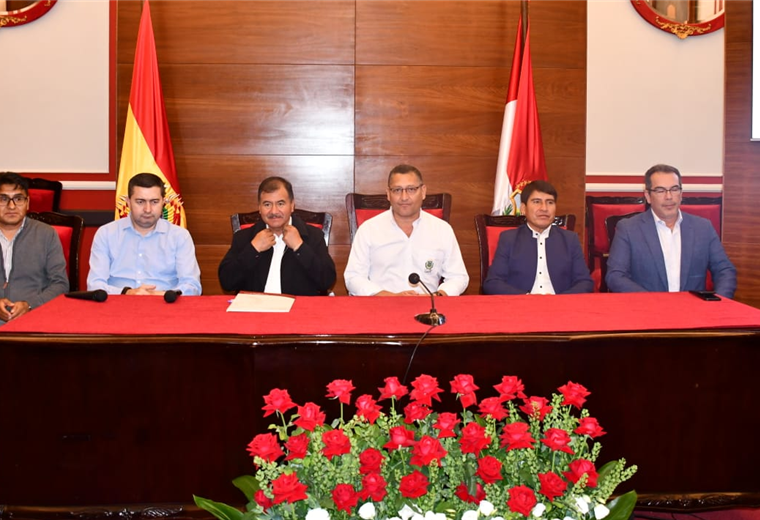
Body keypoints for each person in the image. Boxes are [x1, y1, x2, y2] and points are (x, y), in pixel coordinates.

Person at [606, 164, 736, 297]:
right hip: (647, 311)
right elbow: (615, 276)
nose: (669, 197)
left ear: (681, 193)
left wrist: (719, 303)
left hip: (693, 312)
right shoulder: (629, 229)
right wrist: (651, 302)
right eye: (660, 191)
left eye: (674, 189)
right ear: (648, 196)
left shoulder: (702, 228)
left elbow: (725, 271)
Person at [344, 164, 469, 296]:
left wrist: (437, 296)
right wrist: (389, 296)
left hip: (428, 308)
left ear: (423, 191)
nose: (404, 197)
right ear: (388, 194)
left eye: (411, 189)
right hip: (382, 306)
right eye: (397, 190)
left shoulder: (442, 229)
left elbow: (458, 277)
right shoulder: (369, 229)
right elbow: (353, 277)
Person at [218, 176, 336, 296]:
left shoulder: (312, 236)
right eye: (267, 204)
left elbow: (326, 281)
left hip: (298, 310)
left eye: (280, 203)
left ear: (292, 205)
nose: (274, 211)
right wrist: (253, 249)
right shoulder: (244, 237)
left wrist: (300, 247)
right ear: (259, 207)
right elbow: (227, 283)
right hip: (255, 310)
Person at [87, 173, 202, 295]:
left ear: (163, 202)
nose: (148, 209)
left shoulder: (180, 236)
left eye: (154, 202)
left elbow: (192, 287)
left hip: (165, 306)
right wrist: (128, 293)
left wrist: (159, 295)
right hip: (117, 305)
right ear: (128, 202)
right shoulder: (106, 234)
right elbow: (94, 285)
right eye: (140, 202)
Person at [483, 180, 592, 295]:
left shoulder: (570, 240)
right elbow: (493, 283)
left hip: (560, 307)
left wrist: (560, 300)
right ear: (524, 209)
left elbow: (585, 282)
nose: (544, 208)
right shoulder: (509, 239)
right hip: (521, 306)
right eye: (537, 202)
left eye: (550, 202)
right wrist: (526, 298)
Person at [0, 172, 68, 323]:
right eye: (3, 199)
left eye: (18, 199)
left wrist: (29, 305)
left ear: (28, 202)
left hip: (35, 317)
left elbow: (60, 284)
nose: (11, 206)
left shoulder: (46, 234)